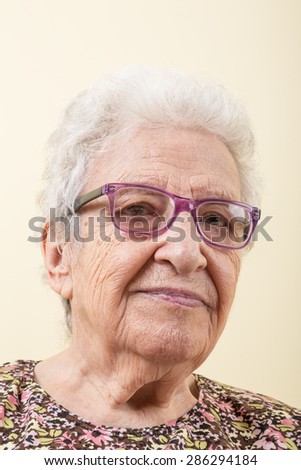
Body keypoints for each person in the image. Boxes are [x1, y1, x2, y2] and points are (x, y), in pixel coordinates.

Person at [0, 66, 300, 450]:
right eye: (138, 210)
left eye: (214, 219)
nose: (187, 253)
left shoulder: (283, 437)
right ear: (60, 254)